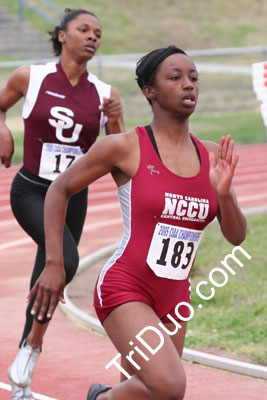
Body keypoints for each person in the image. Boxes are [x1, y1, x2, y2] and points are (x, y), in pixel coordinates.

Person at [28, 45, 247, 400]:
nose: (188, 85)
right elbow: (59, 189)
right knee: (169, 385)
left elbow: (236, 237)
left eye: (193, 78)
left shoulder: (209, 156)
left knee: (147, 394)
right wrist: (54, 262)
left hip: (175, 296)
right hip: (126, 287)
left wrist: (223, 195)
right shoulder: (125, 147)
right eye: (175, 78)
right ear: (150, 91)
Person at [0, 8, 124, 400]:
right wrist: (2, 127)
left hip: (73, 197)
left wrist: (116, 121)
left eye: (98, 33)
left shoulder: (105, 93)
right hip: (33, 190)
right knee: (64, 262)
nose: (92, 37)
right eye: (83, 30)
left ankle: (23, 373)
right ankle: (34, 346)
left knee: (47, 274)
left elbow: (117, 151)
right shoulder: (30, 77)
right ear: (62, 36)